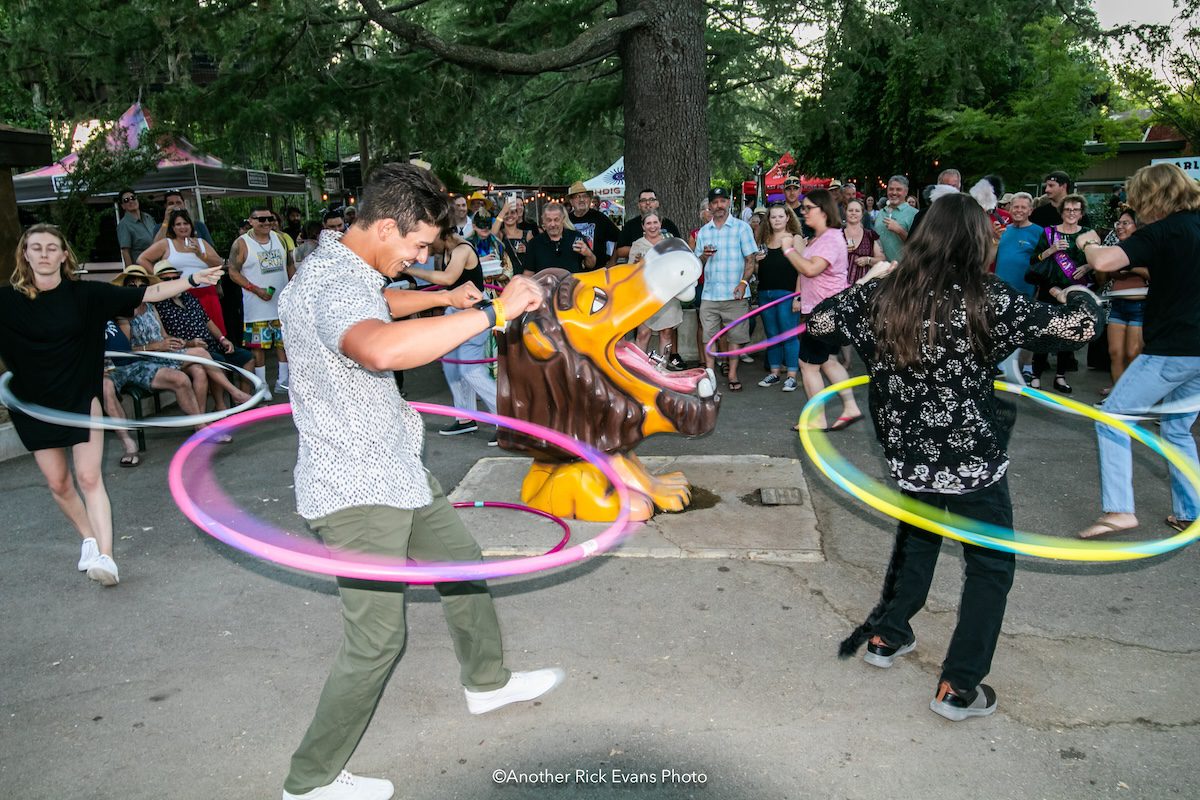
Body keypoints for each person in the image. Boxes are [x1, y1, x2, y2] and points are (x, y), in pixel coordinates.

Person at [276, 162, 561, 800]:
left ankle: (486, 684)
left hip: (396, 463)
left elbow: (377, 303)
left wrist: (442, 298)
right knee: (377, 637)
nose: (422, 256)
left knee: (460, 563)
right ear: (383, 227)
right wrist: (493, 312)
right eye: (419, 245)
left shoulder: (337, 268)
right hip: (356, 482)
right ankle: (310, 781)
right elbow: (376, 346)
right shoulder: (338, 285)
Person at [807, 192, 1103, 721]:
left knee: (919, 536)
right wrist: (1077, 283)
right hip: (970, 460)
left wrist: (868, 283)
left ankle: (887, 637)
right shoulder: (986, 296)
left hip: (907, 453)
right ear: (976, 240)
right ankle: (958, 687)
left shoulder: (884, 295)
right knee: (989, 564)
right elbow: (1080, 328)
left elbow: (820, 324)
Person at [0, 224, 222, 587]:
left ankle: (105, 556)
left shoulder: (86, 295)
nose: (43, 254)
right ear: (25, 254)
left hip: (79, 396)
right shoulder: (6, 302)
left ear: (63, 255)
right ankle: (88, 539)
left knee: (89, 477)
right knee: (58, 484)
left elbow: (149, 292)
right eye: (35, 248)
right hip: (32, 403)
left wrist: (192, 280)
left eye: (51, 248)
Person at [1076, 162, 1200, 539]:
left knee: (1112, 417)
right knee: (1177, 430)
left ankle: (1119, 510)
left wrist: (1087, 241)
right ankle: (1190, 512)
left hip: (1172, 350)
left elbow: (1103, 261)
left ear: (1151, 197)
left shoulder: (1164, 231)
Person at [401, 227, 501, 442]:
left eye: (429, 242)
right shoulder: (446, 251)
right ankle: (466, 418)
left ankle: (507, 423)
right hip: (457, 310)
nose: (427, 249)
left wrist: (409, 270)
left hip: (475, 312)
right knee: (453, 366)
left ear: (441, 234)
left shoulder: (463, 249)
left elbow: (447, 278)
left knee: (470, 369)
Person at [786, 189, 863, 431]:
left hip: (824, 311)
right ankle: (850, 407)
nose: (803, 211)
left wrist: (789, 250)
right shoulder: (821, 238)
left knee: (808, 364)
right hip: (823, 309)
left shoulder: (830, 238)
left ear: (823, 211)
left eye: (808, 208)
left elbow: (811, 269)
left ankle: (818, 418)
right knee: (828, 362)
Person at [151, 261, 255, 408]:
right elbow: (165, 338)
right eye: (167, 280)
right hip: (188, 349)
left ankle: (244, 403)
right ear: (159, 283)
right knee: (215, 360)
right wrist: (189, 343)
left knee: (248, 357)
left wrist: (222, 338)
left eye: (175, 278)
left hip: (210, 343)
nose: (172, 282)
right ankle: (220, 406)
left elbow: (208, 321)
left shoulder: (189, 297)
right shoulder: (158, 305)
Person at [1025, 194, 1096, 393]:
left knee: (1069, 335)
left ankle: (1060, 376)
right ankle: (1036, 374)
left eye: (1076, 210)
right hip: (1050, 289)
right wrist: (1052, 250)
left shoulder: (1089, 234)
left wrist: (1088, 266)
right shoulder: (1049, 233)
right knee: (1044, 333)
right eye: (1067, 209)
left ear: (1081, 213)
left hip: (1075, 291)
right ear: (1061, 212)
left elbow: (1099, 259)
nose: (1071, 213)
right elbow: (1034, 260)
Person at [694, 187, 758, 391]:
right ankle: (711, 375)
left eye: (723, 201)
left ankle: (732, 374)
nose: (719, 205)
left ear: (728, 203)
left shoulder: (742, 228)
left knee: (735, 337)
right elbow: (697, 263)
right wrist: (704, 256)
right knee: (708, 337)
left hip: (735, 294)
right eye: (715, 202)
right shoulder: (704, 232)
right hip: (710, 295)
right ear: (710, 206)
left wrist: (743, 283)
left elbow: (751, 259)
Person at [228, 206, 295, 394]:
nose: (266, 223)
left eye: (270, 219)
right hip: (256, 306)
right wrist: (255, 289)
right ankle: (262, 386)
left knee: (283, 343)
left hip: (280, 304)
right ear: (251, 221)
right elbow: (232, 271)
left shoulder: (280, 238)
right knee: (258, 347)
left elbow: (289, 265)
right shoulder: (242, 243)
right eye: (261, 219)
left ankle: (283, 381)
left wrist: (293, 289)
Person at [137, 209, 227, 335]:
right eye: (178, 224)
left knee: (216, 333)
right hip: (180, 295)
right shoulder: (166, 243)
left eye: (186, 223)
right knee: (190, 334)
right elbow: (142, 259)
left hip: (206, 292)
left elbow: (219, 263)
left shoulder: (201, 242)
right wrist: (158, 278)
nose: (183, 227)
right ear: (172, 227)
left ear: (191, 225)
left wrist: (200, 254)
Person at [753, 203, 806, 391]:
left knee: (789, 334)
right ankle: (774, 373)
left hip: (787, 293)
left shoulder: (794, 238)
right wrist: (757, 263)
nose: (776, 220)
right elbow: (762, 270)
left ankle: (791, 375)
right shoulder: (764, 239)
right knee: (772, 335)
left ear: (788, 218)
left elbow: (802, 270)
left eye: (780, 216)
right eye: (773, 217)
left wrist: (798, 297)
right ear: (768, 219)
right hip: (765, 292)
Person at [1095, 207, 1149, 390]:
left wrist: (1131, 267)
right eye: (1119, 223)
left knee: (1132, 353)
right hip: (1117, 304)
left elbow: (1155, 275)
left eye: (1125, 223)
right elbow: (1102, 279)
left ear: (1137, 225)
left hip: (1139, 306)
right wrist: (1099, 266)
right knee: (1115, 353)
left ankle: (1131, 395)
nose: (1120, 227)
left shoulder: (1146, 246)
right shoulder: (1115, 248)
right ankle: (1117, 394)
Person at [629, 209, 685, 369]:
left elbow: (680, 265)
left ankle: (661, 370)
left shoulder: (671, 242)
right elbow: (631, 271)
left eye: (655, 222)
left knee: (666, 333)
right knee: (643, 333)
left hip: (668, 295)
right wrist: (637, 264)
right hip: (645, 295)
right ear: (643, 226)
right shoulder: (637, 244)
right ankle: (640, 370)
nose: (652, 226)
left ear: (660, 224)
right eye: (648, 223)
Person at [614, 188, 682, 262]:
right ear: (639, 205)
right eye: (643, 200)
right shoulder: (630, 225)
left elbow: (679, 248)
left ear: (657, 203)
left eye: (651, 199)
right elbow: (619, 251)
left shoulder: (669, 224)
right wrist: (642, 249)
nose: (648, 203)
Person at [525, 203, 596, 273]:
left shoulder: (576, 237)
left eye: (556, 220)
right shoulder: (534, 244)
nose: (552, 224)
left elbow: (591, 265)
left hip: (572, 284)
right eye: (549, 220)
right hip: (544, 284)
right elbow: (528, 274)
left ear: (563, 219)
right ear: (543, 220)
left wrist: (588, 253)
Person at [566, 180, 621, 266]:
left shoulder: (600, 218)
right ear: (571, 201)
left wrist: (612, 261)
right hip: (572, 272)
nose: (582, 200)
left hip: (598, 273)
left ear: (589, 199)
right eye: (577, 196)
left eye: (585, 196)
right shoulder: (566, 220)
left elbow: (620, 238)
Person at [873, 175, 917, 261]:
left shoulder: (914, 214)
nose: (894, 193)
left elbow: (918, 246)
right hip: (879, 269)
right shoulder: (881, 212)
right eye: (891, 189)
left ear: (906, 192)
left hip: (902, 270)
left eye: (898, 189)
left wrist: (900, 230)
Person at [115, 189, 158, 266]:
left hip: (158, 264)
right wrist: (132, 273)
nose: (131, 201)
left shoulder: (148, 217)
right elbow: (125, 252)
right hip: (142, 269)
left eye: (133, 198)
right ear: (123, 206)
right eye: (126, 200)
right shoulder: (124, 224)